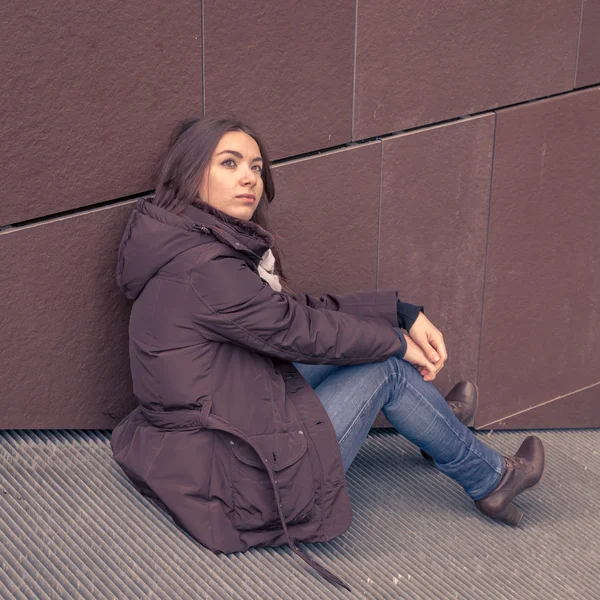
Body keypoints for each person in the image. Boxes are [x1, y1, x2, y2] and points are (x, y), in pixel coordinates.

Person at [111, 116, 545, 592]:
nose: (249, 178)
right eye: (230, 163)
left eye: (256, 166)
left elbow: (293, 313)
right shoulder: (204, 267)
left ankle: (432, 421)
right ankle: (490, 479)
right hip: (240, 479)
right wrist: (398, 342)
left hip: (218, 434)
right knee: (386, 369)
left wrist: (398, 312)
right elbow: (299, 329)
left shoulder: (185, 242)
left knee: (363, 351)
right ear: (192, 172)